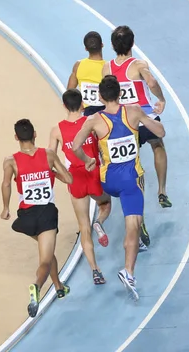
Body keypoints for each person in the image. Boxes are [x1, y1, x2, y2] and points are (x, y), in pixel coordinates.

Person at [72, 75, 165, 301]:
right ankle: (129, 272)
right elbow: (160, 133)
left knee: (109, 204)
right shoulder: (133, 111)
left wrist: (87, 160)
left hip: (108, 181)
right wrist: (144, 117)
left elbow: (75, 146)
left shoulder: (93, 120)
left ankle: (101, 217)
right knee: (133, 226)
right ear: (121, 94)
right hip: (131, 180)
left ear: (101, 96)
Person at [0, 119, 72, 318]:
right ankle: (37, 287)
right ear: (35, 134)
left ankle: (59, 287)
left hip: (26, 217)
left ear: (16, 138)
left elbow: (6, 184)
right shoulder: (49, 155)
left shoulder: (10, 161)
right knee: (45, 261)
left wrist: (6, 208)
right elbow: (69, 179)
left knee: (46, 253)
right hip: (46, 214)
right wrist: (52, 173)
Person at [102, 25, 172, 214]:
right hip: (145, 116)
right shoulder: (139, 65)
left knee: (132, 164)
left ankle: (138, 214)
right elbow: (152, 82)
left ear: (112, 45)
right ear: (132, 43)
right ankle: (162, 190)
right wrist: (161, 99)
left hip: (125, 121)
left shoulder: (107, 67)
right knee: (158, 145)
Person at [49, 89, 112, 285]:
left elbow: (50, 158)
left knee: (83, 227)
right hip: (94, 172)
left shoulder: (57, 130)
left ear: (64, 106)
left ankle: (95, 270)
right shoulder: (91, 122)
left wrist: (62, 176)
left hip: (75, 177)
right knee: (105, 204)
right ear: (83, 103)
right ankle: (100, 221)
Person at [67, 31, 106, 117]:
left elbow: (69, 91)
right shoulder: (108, 66)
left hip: (88, 112)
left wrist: (79, 105)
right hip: (106, 110)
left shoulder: (78, 65)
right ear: (102, 45)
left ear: (86, 48)